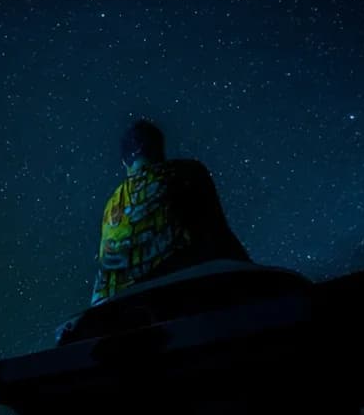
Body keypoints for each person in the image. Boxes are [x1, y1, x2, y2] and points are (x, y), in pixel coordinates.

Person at [89, 118, 251, 306]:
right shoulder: (187, 172)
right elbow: (217, 230)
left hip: (115, 302)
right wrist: (246, 271)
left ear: (125, 161)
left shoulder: (112, 202)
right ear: (160, 150)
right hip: (185, 287)